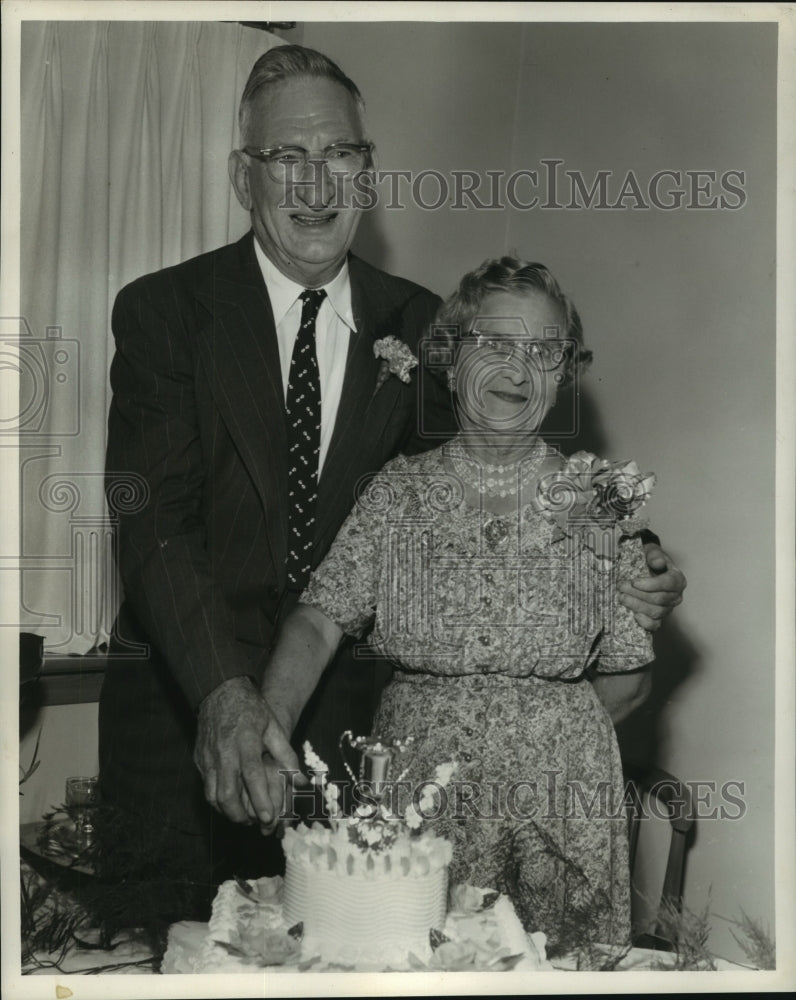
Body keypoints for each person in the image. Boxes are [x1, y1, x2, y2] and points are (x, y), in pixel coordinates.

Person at [100, 45, 684, 918]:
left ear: (368, 173)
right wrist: (228, 697)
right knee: (173, 949)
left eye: (339, 154)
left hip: (356, 750)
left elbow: (502, 472)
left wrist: (638, 555)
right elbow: (156, 528)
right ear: (240, 175)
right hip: (188, 712)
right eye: (287, 156)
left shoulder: (423, 324)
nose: (315, 183)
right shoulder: (164, 312)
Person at [251, 257, 660, 950]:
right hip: (419, 801)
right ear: (448, 355)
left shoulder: (600, 502)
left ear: (563, 375)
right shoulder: (396, 494)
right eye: (494, 344)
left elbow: (628, 677)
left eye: (543, 351)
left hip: (559, 811)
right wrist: (270, 731)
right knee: (411, 957)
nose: (518, 368)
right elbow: (319, 621)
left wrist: (541, 739)